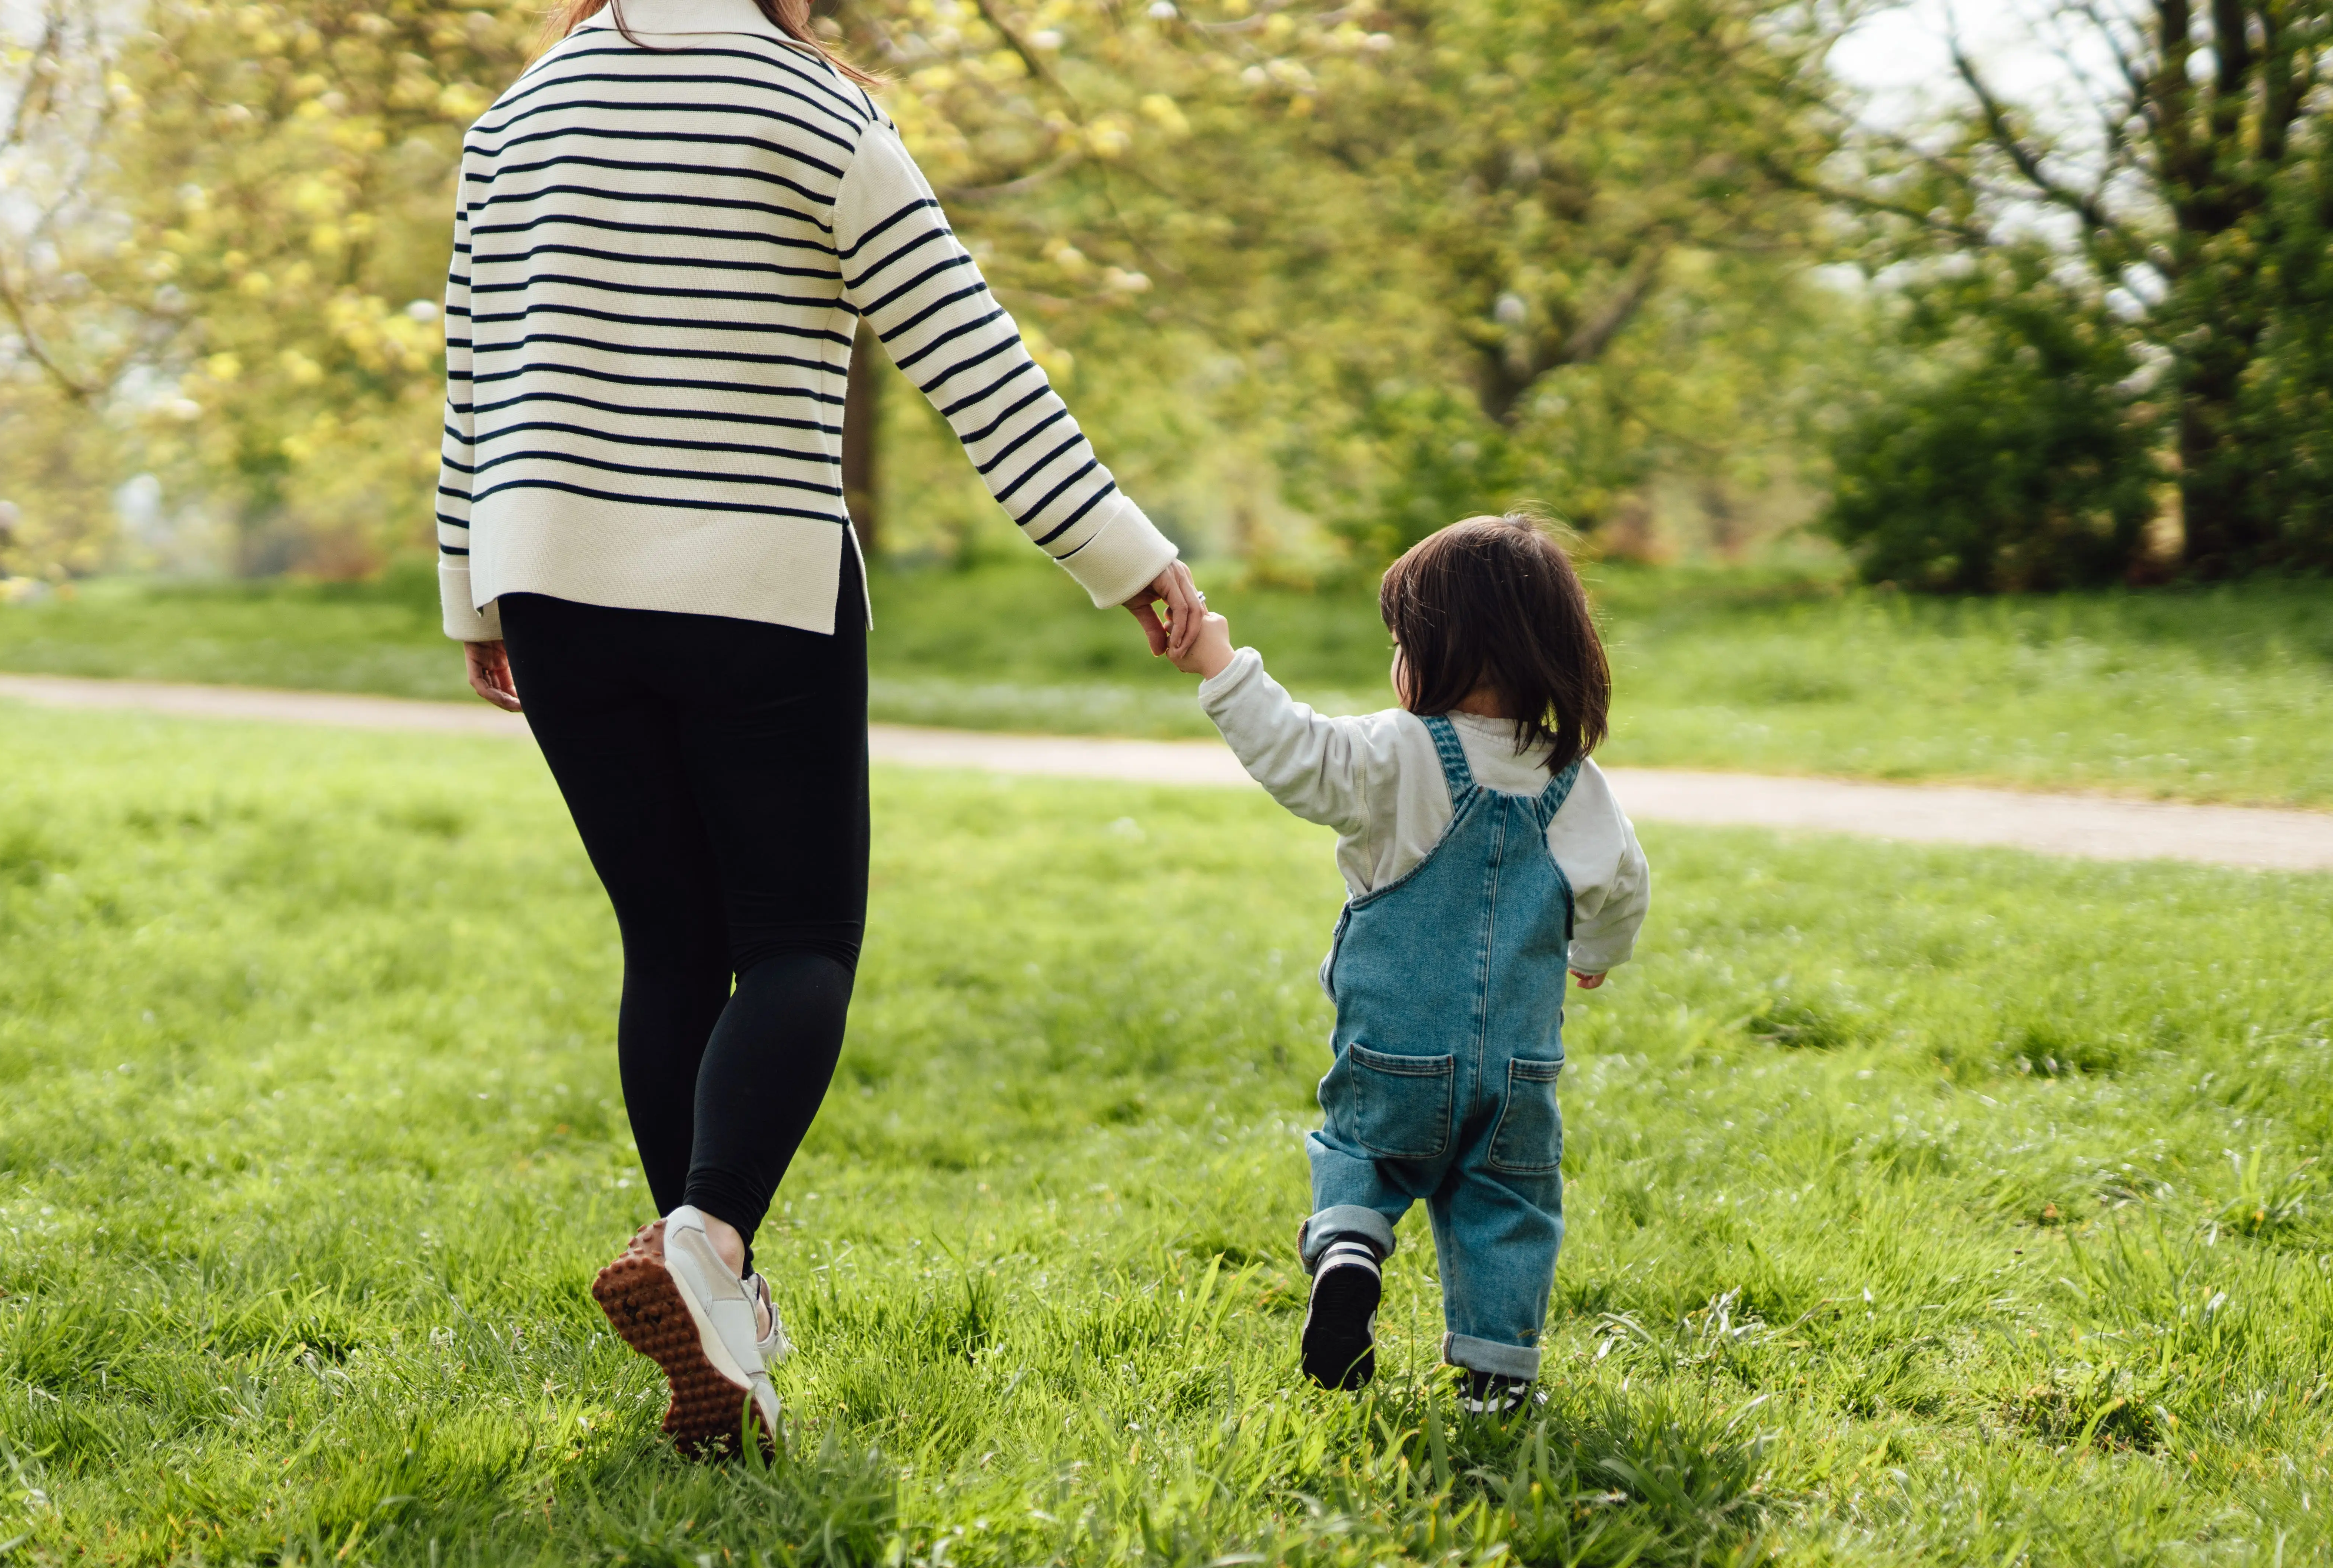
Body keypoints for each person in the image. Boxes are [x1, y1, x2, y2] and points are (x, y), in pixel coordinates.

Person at [437, 0, 1203, 1457]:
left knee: (669, 945)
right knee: (795, 947)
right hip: (756, 591)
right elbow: (977, 368)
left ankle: (717, 1317)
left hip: (549, 580)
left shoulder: (517, 118)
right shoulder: (815, 111)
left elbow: (474, 382)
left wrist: (471, 591)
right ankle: (711, 1245)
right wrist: (1125, 556)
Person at [1165, 514, 1646, 1413]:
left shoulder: (1397, 752)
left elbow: (1295, 752)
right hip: (1517, 1068)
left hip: (1396, 1051)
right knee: (1511, 1204)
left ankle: (1349, 1245)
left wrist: (1221, 667)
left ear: (1442, 650)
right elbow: (1623, 883)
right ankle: (1499, 1377)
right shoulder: (1574, 779)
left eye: (1402, 642)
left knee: (1362, 1150)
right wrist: (1595, 953)